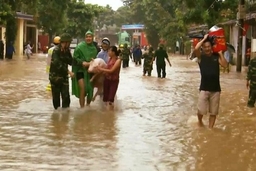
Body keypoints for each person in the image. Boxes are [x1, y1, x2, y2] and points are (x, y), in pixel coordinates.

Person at [194, 34, 228, 128]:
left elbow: (225, 65)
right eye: (205, 47)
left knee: (213, 112)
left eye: (209, 46)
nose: (207, 48)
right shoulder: (201, 57)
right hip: (204, 88)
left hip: (215, 89)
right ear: (203, 48)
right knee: (201, 110)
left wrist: (220, 53)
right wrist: (204, 39)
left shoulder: (216, 57)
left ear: (211, 47)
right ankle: (200, 122)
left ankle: (210, 129)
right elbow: (196, 49)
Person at [49, 33, 87, 110]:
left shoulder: (67, 50)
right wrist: (69, 72)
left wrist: (81, 63)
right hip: (55, 77)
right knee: (56, 100)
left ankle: (65, 118)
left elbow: (71, 61)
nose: (69, 44)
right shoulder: (56, 51)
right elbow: (58, 64)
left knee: (66, 98)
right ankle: (56, 118)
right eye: (69, 42)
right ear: (65, 42)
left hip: (64, 77)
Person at [72, 30, 98, 108]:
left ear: (92, 38)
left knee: (90, 90)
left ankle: (88, 106)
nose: (88, 38)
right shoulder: (79, 47)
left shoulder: (94, 49)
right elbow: (74, 58)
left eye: (90, 37)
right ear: (85, 38)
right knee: (82, 89)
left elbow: (96, 61)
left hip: (90, 72)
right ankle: (82, 109)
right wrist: (82, 62)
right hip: (80, 70)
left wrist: (90, 63)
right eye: (87, 37)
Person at [97, 46, 121, 110]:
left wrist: (101, 69)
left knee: (110, 99)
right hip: (107, 80)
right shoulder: (109, 59)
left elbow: (111, 70)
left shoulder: (118, 61)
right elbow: (107, 69)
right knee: (105, 98)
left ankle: (110, 114)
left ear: (113, 52)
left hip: (114, 81)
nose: (108, 52)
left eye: (109, 51)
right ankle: (107, 115)